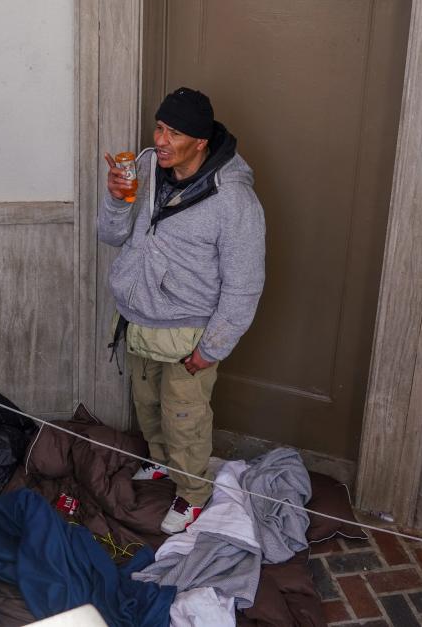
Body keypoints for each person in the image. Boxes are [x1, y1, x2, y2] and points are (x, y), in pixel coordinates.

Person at [98, 87, 266, 534]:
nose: (162, 139)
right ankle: (161, 464)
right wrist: (117, 198)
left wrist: (212, 349)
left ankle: (192, 494)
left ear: (201, 142)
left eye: (175, 132)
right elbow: (112, 236)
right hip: (139, 320)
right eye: (160, 127)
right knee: (147, 405)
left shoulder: (234, 201)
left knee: (185, 419)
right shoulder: (148, 167)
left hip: (189, 331)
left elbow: (244, 286)